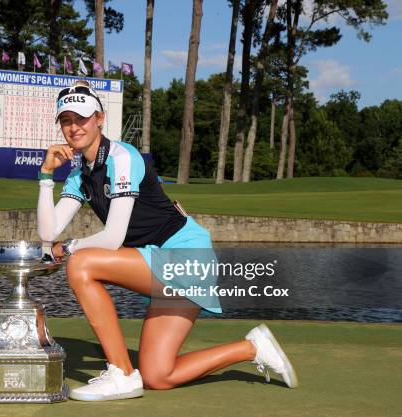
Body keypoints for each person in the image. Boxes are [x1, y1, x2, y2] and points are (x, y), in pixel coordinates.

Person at [37, 81, 298, 402]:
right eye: (67, 120)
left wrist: (71, 246)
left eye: (82, 118)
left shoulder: (122, 156)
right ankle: (252, 347)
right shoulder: (80, 174)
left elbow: (113, 237)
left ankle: (121, 372)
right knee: (159, 375)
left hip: (187, 254)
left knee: (81, 263)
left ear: (100, 118)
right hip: (159, 261)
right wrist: (46, 175)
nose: (74, 127)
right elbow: (48, 233)